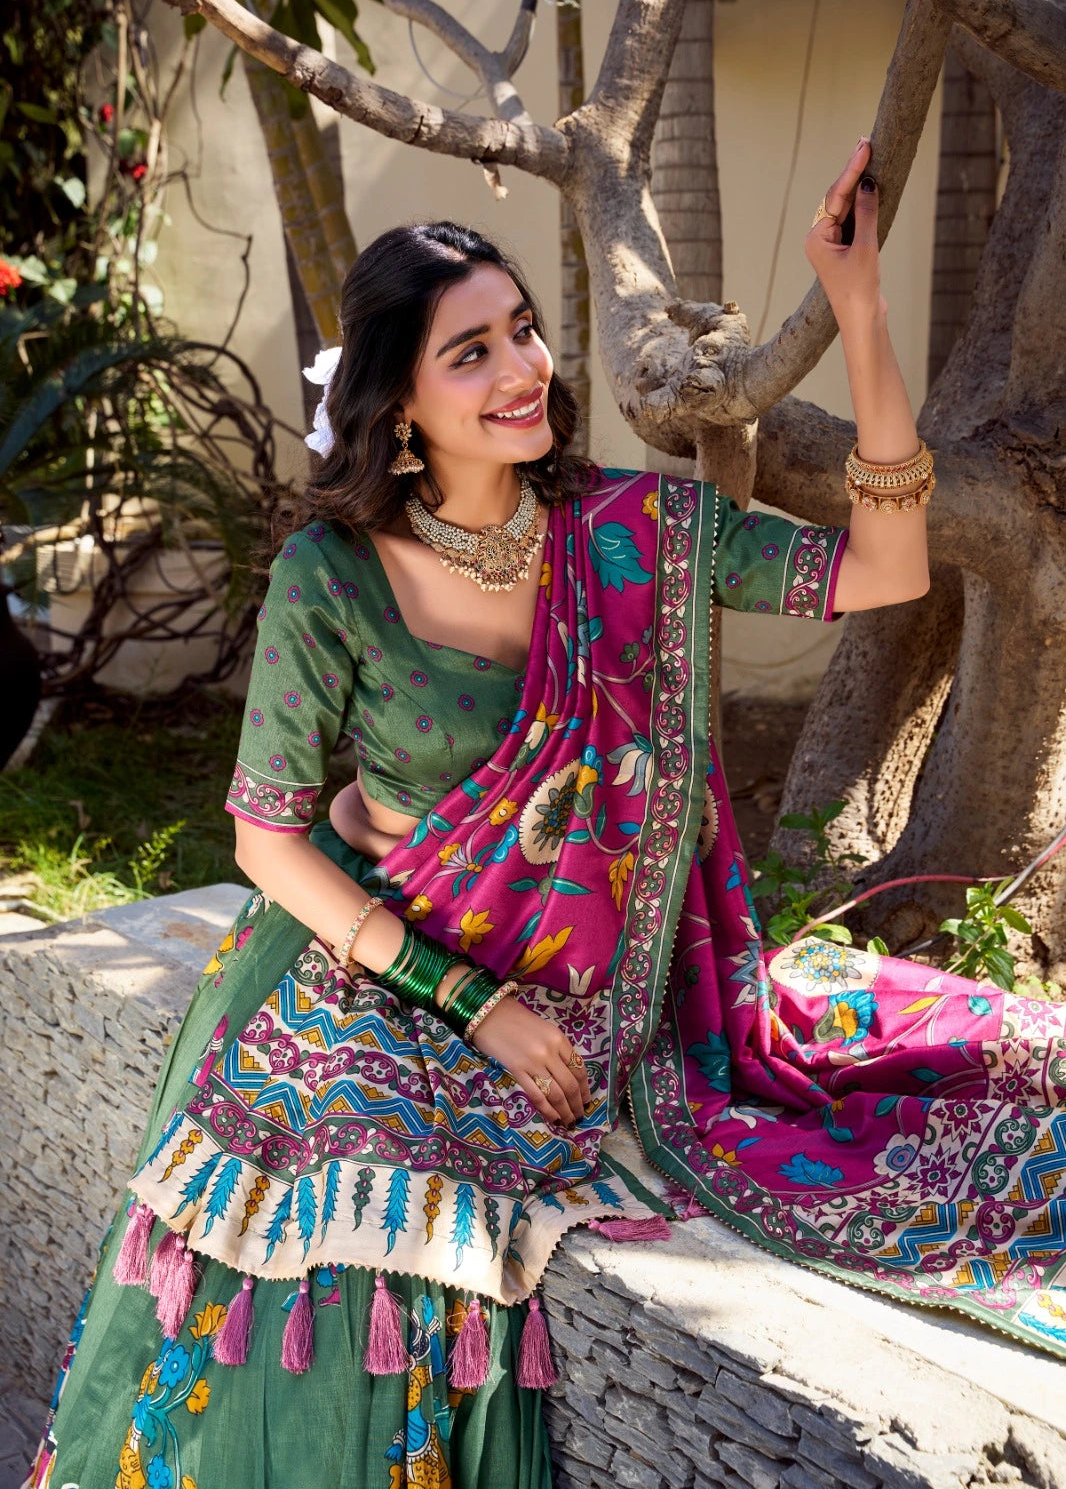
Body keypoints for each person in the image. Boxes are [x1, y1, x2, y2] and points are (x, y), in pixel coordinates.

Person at [22, 140, 1065, 1489]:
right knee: (340, 1232)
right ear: (399, 405)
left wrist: (857, 309)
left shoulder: (634, 532)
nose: (523, 372)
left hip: (623, 1000)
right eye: (471, 354)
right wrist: (476, 1007)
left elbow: (885, 568)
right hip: (388, 967)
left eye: (522, 333)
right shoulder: (331, 578)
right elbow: (266, 838)